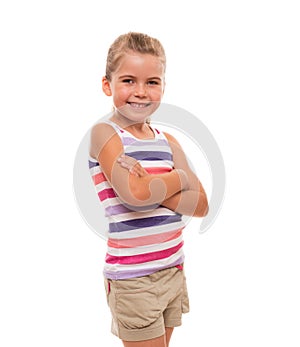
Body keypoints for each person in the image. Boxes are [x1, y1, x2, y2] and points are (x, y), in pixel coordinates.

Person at [89, 32, 208, 347]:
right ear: (107, 85)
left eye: (152, 82)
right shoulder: (105, 135)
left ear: (163, 87)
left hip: (173, 268)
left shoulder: (168, 141)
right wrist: (181, 178)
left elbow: (201, 205)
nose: (140, 92)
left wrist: (153, 184)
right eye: (128, 80)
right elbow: (135, 196)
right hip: (134, 279)